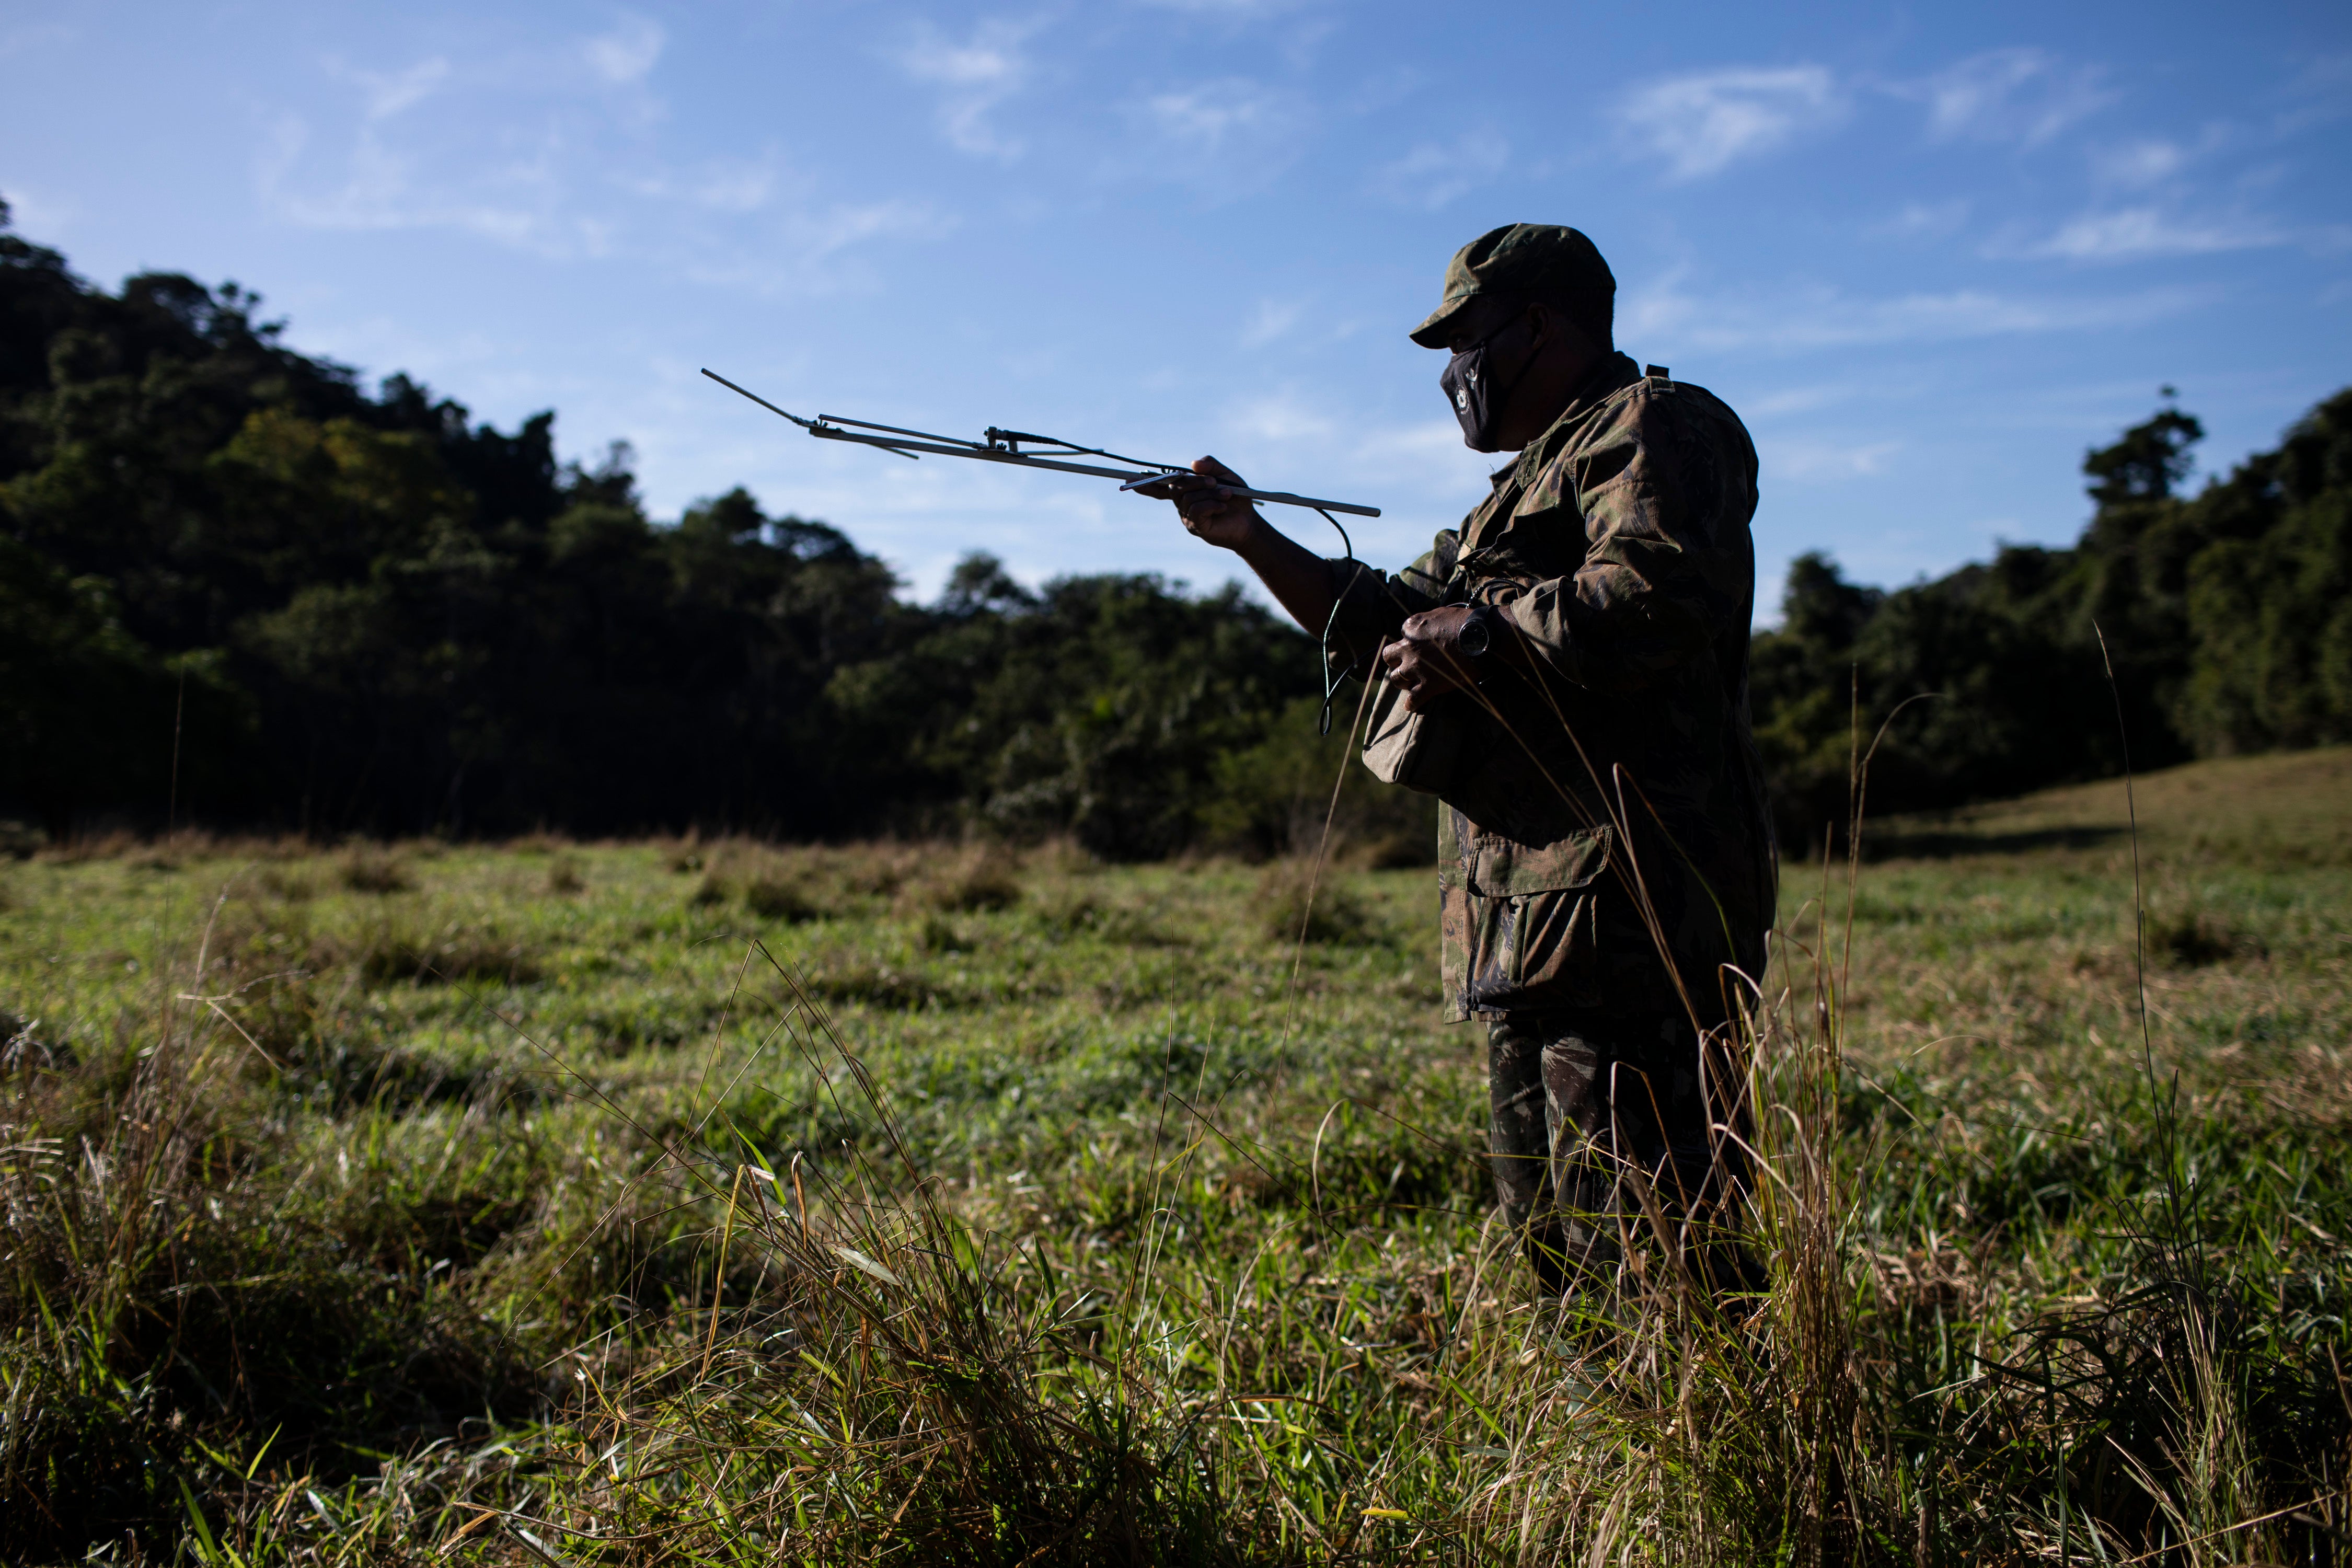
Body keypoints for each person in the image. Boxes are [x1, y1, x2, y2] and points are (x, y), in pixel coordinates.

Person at [1145, 223, 1775, 1302]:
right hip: (1528, 926)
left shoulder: (1653, 425)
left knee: (1665, 1238)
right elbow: (1381, 620)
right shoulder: (1514, 495)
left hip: (1634, 917)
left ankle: (1730, 1454)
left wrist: (1481, 639)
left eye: (1463, 342)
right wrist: (1249, 535)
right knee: (1560, 1251)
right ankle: (1607, 1460)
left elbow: (1661, 592)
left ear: (1535, 326)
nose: (1452, 376)